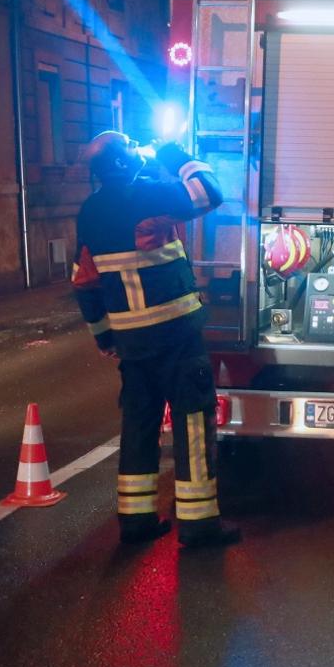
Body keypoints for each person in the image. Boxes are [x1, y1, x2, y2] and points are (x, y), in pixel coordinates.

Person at [72, 131, 241, 550]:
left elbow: (85, 281)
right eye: (131, 145)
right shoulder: (147, 195)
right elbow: (209, 192)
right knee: (192, 422)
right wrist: (171, 152)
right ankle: (199, 524)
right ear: (123, 161)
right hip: (176, 335)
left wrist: (103, 335)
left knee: (139, 423)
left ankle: (136, 521)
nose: (137, 149)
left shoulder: (90, 210)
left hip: (131, 343)